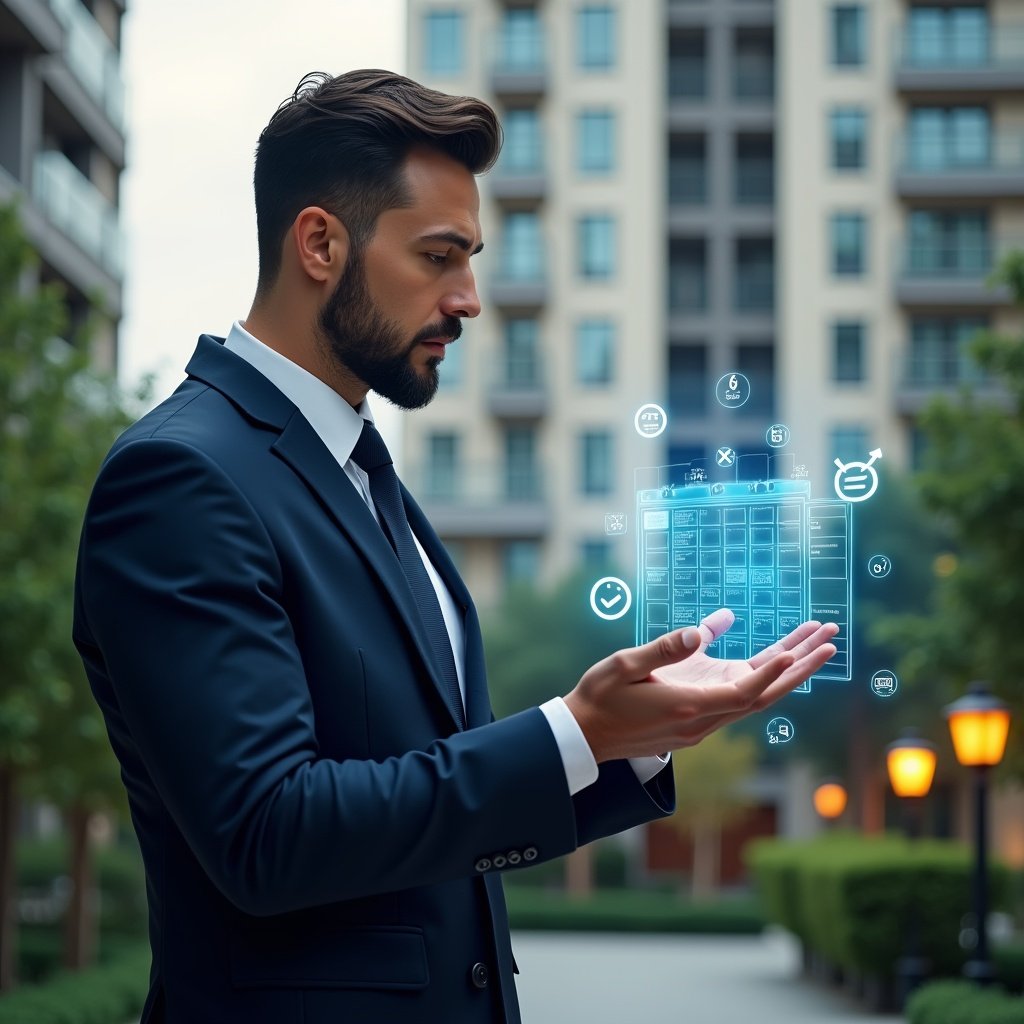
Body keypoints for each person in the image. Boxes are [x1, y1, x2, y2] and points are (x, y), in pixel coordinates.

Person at [73, 69, 837, 1024]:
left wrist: (631, 742)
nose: (469, 299)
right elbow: (268, 834)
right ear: (320, 243)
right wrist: (573, 731)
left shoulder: (361, 470)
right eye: (438, 257)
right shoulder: (182, 478)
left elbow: (429, 807)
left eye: (470, 257)